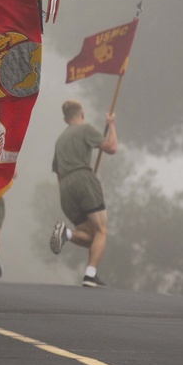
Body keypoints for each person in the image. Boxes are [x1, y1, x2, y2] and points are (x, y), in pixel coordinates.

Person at [49, 100, 117, 288]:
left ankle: (68, 234)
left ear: (65, 119)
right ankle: (90, 274)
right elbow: (111, 148)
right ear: (82, 114)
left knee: (92, 236)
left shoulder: (60, 140)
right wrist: (111, 125)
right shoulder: (85, 129)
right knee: (102, 231)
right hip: (83, 180)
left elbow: (58, 173)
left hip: (65, 189)